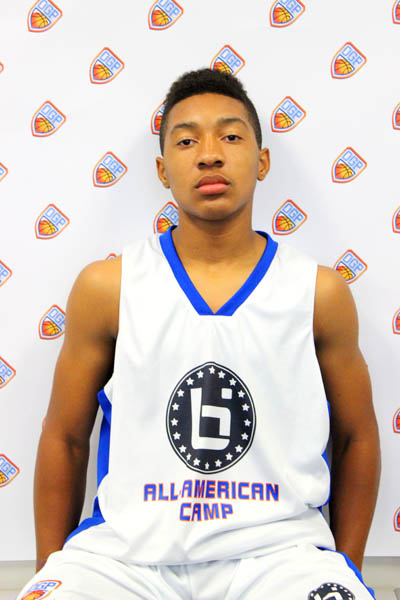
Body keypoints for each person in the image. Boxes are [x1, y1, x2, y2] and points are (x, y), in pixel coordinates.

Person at [18, 68, 380, 600]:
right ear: (162, 170)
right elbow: (65, 439)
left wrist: (346, 567)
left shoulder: (317, 292)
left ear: (262, 160)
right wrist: (51, 571)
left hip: (280, 556)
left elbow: (356, 437)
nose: (209, 155)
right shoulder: (108, 287)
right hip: (125, 558)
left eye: (230, 136)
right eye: (187, 141)